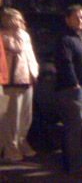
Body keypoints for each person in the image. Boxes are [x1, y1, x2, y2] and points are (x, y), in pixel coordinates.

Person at [54, 5, 82, 172]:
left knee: (76, 127)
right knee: (73, 128)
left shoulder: (78, 38)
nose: (81, 20)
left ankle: (71, 161)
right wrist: (74, 83)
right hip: (72, 90)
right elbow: (65, 63)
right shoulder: (65, 39)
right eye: (77, 17)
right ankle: (73, 165)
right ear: (67, 19)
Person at [0, 9, 39, 161]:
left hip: (27, 80)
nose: (22, 23)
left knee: (25, 117)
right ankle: (11, 148)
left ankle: (22, 142)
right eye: (18, 20)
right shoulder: (4, 36)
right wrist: (17, 32)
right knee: (11, 119)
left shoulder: (24, 35)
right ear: (9, 20)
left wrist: (34, 71)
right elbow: (17, 47)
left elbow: (30, 55)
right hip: (12, 82)